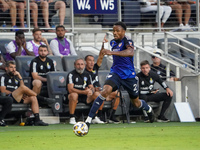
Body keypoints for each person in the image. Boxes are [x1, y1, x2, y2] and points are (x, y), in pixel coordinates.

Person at [85, 21, 154, 130]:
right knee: (105, 91)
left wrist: (111, 53)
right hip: (115, 73)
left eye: (117, 30)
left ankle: (148, 108)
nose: (115, 33)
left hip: (129, 76)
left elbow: (130, 52)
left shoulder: (127, 40)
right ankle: (88, 121)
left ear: (124, 31)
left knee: (136, 103)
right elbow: (103, 53)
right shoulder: (112, 43)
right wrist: (103, 48)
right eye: (113, 30)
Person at [0, 61, 48, 126]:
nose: (13, 69)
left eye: (14, 68)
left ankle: (37, 119)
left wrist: (19, 76)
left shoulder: (16, 77)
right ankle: (42, 99)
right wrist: (17, 92)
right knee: (22, 88)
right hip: (9, 96)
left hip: (18, 98)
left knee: (32, 98)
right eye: (11, 67)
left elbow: (22, 87)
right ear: (6, 68)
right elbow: (3, 91)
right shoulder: (3, 77)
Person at [66, 58, 104, 125]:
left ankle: (95, 117)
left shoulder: (87, 74)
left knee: (98, 95)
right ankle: (72, 117)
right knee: (74, 95)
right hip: (74, 96)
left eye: (81, 64)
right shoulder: (71, 74)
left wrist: (90, 90)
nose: (80, 66)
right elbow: (70, 89)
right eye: (78, 64)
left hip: (86, 97)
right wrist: (83, 92)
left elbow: (91, 86)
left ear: (84, 65)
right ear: (74, 65)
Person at [85, 54, 120, 123]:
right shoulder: (84, 72)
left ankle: (111, 115)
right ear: (85, 62)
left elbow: (100, 58)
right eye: (89, 60)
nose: (92, 62)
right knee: (100, 94)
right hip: (90, 94)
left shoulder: (95, 68)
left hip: (99, 90)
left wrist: (103, 49)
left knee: (116, 94)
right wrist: (94, 89)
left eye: (93, 60)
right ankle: (99, 116)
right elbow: (87, 86)